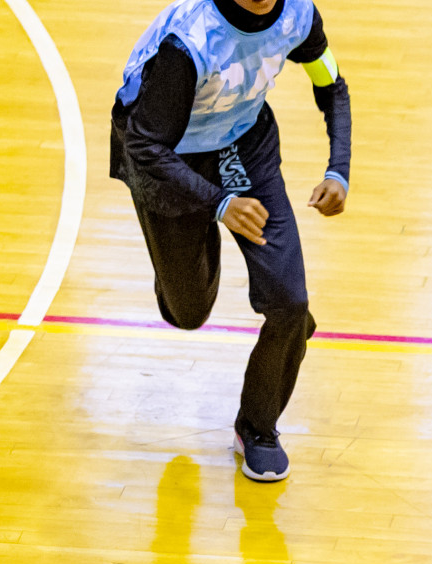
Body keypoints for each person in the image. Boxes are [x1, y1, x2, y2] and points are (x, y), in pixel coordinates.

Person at [111, 0, 352, 482]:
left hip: (244, 147)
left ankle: (257, 428)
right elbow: (144, 143)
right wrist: (218, 204)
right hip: (167, 160)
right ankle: (199, 238)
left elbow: (331, 83)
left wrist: (338, 169)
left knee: (289, 303)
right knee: (188, 312)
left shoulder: (299, 15)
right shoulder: (189, 43)